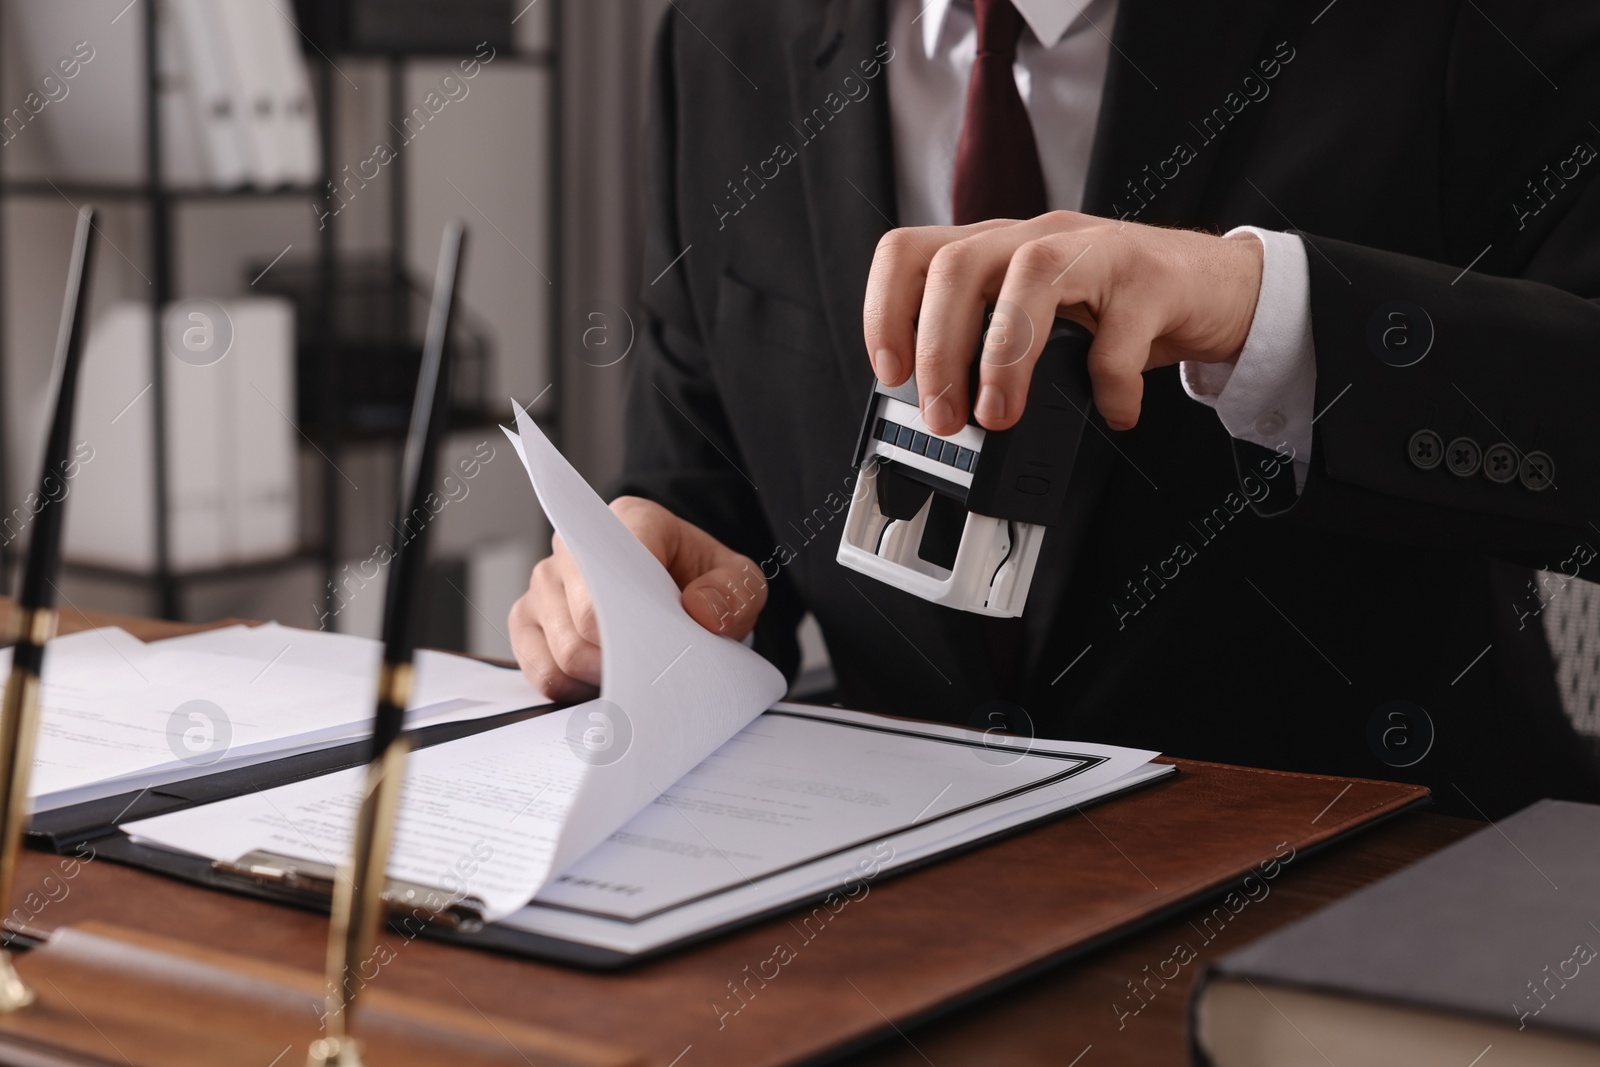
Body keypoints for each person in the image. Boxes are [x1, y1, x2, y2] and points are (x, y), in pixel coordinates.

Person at [511, 0, 1600, 818]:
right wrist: (646, 586)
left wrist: (1256, 307)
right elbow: (706, 491)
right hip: (882, 902)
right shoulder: (724, 35)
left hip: (1361, 899)